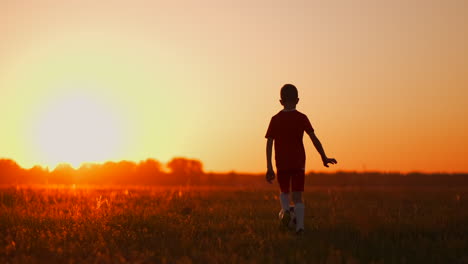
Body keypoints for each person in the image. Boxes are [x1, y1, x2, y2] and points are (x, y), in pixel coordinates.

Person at [265, 84, 337, 234]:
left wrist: (269, 167)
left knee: (284, 192)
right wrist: (324, 157)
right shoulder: (302, 118)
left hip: (282, 163)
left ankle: (286, 213)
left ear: (280, 101)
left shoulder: (275, 119)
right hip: (298, 163)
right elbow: (314, 139)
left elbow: (269, 143)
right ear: (297, 100)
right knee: (297, 196)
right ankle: (300, 228)